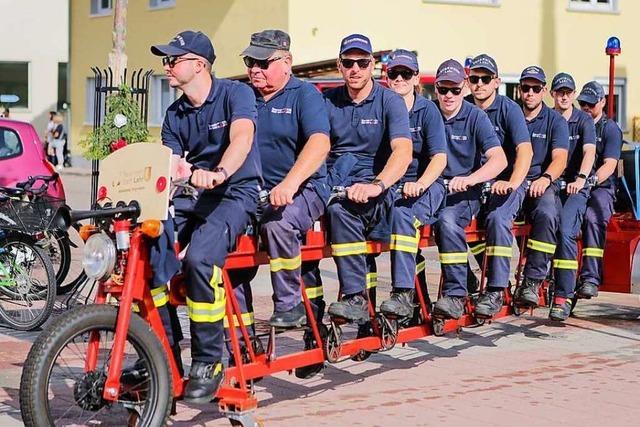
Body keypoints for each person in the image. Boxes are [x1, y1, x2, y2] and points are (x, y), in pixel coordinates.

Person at [148, 30, 262, 402]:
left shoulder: (235, 94)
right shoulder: (174, 112)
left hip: (234, 193)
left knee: (200, 259)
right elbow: (168, 161)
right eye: (166, 60)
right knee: (148, 253)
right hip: (192, 197)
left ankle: (209, 360)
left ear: (199, 64)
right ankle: (163, 351)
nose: (167, 66)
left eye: (173, 60)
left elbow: (241, 139)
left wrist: (220, 172)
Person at [231, 29, 331, 379]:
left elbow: (320, 144)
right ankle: (244, 346)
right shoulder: (244, 97)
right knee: (231, 255)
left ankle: (292, 309)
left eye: (263, 62)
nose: (254, 69)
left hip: (305, 189)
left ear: (286, 62)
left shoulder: (304, 94)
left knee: (280, 225)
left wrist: (291, 183)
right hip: (254, 193)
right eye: (249, 62)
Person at [324, 34, 413, 323]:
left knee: (342, 212)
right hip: (334, 185)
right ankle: (307, 317)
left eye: (362, 62)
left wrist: (377, 186)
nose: (355, 69)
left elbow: (403, 151)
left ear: (372, 65)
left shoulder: (390, 101)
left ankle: (355, 298)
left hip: (377, 191)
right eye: (348, 63)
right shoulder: (328, 101)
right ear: (339, 66)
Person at [431, 58, 507, 320]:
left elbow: (500, 159)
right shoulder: (429, 113)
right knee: (401, 226)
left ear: (464, 88)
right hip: (431, 190)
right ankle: (407, 298)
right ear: (436, 89)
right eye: (443, 89)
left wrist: (472, 179)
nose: (449, 95)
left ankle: (455, 294)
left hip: (464, 194)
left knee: (447, 222)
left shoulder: (476, 117)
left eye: (454, 89)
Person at [378, 49, 447, 320]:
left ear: (416, 77)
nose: (399, 79)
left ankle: (404, 294)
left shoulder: (428, 110)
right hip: (391, 186)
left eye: (406, 74)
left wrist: (419, 184)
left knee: (403, 218)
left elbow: (439, 158)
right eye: (394, 73)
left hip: (426, 185)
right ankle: (420, 301)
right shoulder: (381, 106)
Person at [465, 54, 533, 318]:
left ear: (496, 82)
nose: (479, 84)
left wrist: (513, 183)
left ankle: (494, 289)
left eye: (485, 79)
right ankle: (476, 280)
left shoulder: (509, 109)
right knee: (458, 221)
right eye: (474, 79)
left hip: (507, 181)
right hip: (475, 183)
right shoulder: (463, 106)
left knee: (497, 219)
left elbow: (524, 151)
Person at [512, 66, 569, 308]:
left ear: (544, 91)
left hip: (541, 182)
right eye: (526, 88)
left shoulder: (555, 120)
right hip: (513, 181)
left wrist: (545, 178)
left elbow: (560, 159)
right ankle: (487, 284)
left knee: (546, 214)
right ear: (520, 90)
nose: (530, 93)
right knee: (483, 217)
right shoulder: (511, 115)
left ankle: (533, 280)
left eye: (536, 88)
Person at [549, 73, 596, 320]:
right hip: (552, 185)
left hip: (576, 186)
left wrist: (581, 178)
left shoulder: (583, 121)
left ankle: (563, 296)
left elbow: (589, 152)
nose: (564, 96)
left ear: (574, 94)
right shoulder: (546, 117)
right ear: (552, 95)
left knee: (565, 232)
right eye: (559, 92)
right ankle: (532, 282)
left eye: (568, 92)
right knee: (537, 227)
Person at [576, 81, 623, 299]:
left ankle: (590, 278)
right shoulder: (575, 123)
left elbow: (610, 165)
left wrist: (591, 180)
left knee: (592, 217)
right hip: (575, 183)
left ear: (603, 102)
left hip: (601, 187)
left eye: (591, 104)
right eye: (583, 103)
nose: (586, 108)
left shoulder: (610, 129)